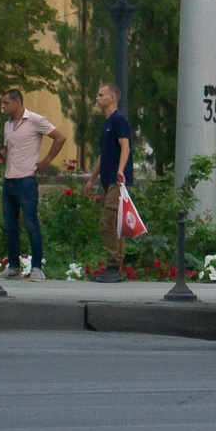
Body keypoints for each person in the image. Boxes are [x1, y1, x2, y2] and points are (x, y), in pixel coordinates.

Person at [0, 88, 66, 281]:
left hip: (26, 181)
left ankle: (36, 268)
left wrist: (47, 160)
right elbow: (9, 150)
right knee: (9, 226)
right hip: (9, 181)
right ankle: (14, 267)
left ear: (17, 102)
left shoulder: (35, 120)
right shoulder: (8, 125)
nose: (3, 106)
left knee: (31, 224)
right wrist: (1, 155)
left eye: (6, 102)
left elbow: (60, 137)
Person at [83, 82, 132, 283]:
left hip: (117, 181)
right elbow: (103, 155)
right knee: (113, 225)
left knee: (107, 224)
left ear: (113, 97)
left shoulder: (119, 119)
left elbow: (126, 146)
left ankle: (114, 267)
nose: (97, 98)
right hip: (108, 180)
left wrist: (120, 171)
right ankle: (114, 267)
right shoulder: (107, 123)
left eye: (101, 95)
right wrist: (91, 180)